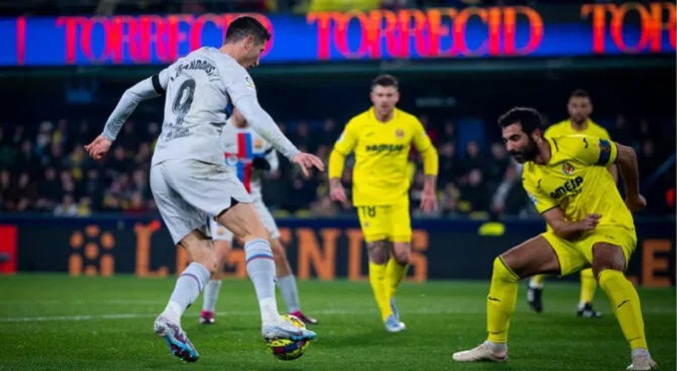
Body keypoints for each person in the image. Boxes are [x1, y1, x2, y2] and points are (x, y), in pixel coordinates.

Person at [84, 16, 321, 363]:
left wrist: (109, 134)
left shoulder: (183, 63)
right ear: (246, 42)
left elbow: (132, 93)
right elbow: (252, 113)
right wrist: (293, 152)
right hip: (197, 160)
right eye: (259, 51)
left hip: (161, 166)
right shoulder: (232, 69)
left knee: (206, 257)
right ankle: (272, 320)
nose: (258, 60)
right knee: (256, 233)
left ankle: (170, 317)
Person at [452, 107, 657, 370]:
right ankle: (495, 346)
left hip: (611, 226)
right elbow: (558, 225)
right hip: (574, 234)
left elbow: (627, 154)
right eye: (506, 140)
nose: (509, 147)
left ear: (536, 135)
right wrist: (578, 224)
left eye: (515, 138)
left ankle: (641, 356)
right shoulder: (530, 177)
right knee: (504, 266)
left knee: (607, 274)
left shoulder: (578, 146)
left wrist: (632, 197)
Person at [328, 74, 439, 333]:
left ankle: (385, 293)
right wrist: (335, 183)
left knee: (402, 256)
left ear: (397, 97)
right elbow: (338, 152)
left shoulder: (409, 123)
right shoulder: (358, 124)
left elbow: (429, 152)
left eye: (389, 95)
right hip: (368, 196)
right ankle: (388, 313)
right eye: (380, 95)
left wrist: (430, 188)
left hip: (398, 197)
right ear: (372, 97)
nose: (385, 100)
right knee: (377, 251)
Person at [201, 109, 318, 325]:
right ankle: (207, 312)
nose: (244, 111)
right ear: (233, 106)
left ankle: (295, 310)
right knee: (220, 254)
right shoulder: (219, 131)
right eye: (240, 106)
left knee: (278, 251)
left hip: (253, 200)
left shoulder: (260, 131)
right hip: (224, 200)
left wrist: (264, 166)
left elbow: (273, 165)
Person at [527, 89, 617, 318]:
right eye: (575, 105)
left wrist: (612, 190)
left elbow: (611, 161)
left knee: (593, 249)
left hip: (591, 201)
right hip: (563, 202)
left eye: (583, 105)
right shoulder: (555, 131)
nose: (579, 109)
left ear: (590, 108)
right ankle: (536, 283)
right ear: (569, 108)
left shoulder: (599, 133)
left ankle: (584, 304)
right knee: (555, 249)